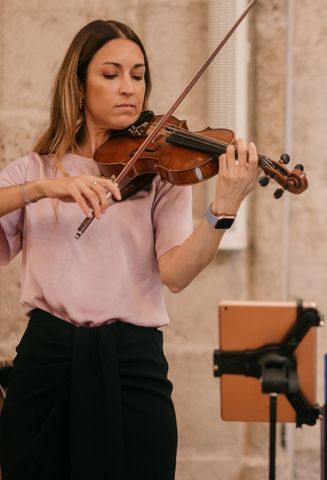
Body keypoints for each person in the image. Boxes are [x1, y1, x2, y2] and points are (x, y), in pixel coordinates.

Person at [0, 19, 260, 480]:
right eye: (111, 74)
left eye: (138, 76)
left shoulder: (161, 172)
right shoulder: (36, 170)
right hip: (48, 360)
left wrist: (223, 207)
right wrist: (42, 188)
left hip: (131, 363)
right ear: (78, 86)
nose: (129, 89)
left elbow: (176, 275)